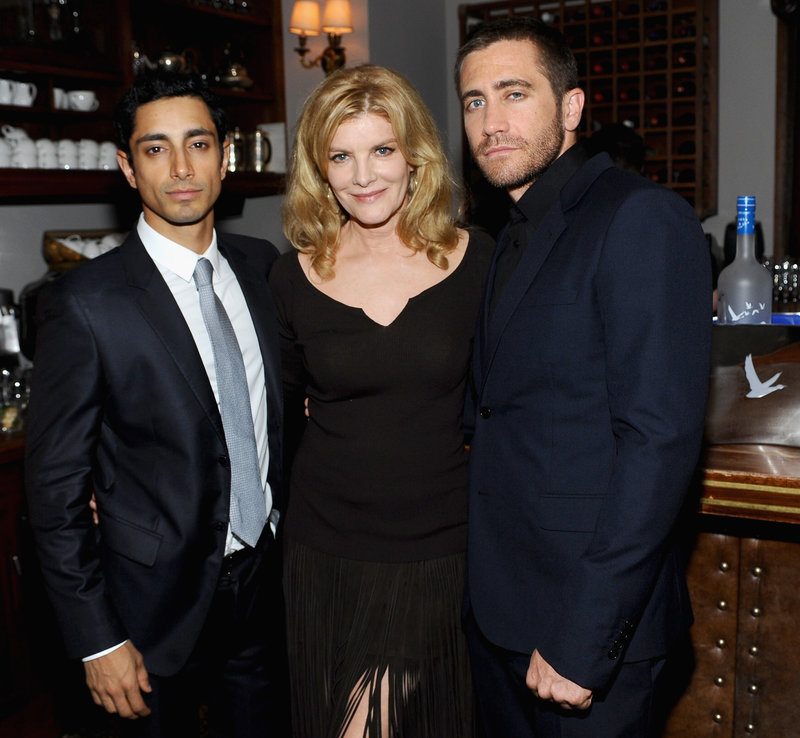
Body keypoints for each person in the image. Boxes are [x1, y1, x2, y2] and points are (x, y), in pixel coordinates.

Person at [455, 17, 711, 737]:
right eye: (474, 101)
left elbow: (659, 443)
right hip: (502, 618)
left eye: (514, 94)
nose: (491, 122)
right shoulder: (507, 236)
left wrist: (584, 640)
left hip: (588, 633)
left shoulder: (640, 217)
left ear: (571, 108)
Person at [25, 70, 290, 738]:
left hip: (266, 590)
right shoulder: (85, 304)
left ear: (225, 156)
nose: (180, 167)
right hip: (147, 611)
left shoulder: (266, 269)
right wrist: (96, 640)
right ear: (126, 166)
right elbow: (54, 493)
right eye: (154, 148)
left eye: (198, 144)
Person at [269, 64, 493, 738]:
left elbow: (510, 394)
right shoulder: (292, 275)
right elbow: (273, 411)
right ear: (320, 168)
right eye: (342, 155)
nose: (363, 175)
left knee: (368, 726)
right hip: (322, 548)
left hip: (435, 546)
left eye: (381, 150)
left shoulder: (476, 259)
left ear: (413, 155)